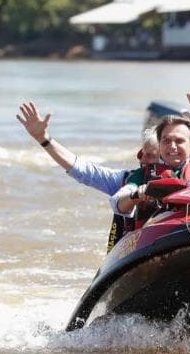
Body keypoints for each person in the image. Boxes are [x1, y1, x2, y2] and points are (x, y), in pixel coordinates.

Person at [16, 101, 159, 252]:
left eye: (149, 156)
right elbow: (82, 170)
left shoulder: (186, 180)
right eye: (141, 154)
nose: (142, 160)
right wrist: (43, 139)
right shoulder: (124, 180)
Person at [111, 89, 190, 222]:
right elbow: (118, 204)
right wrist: (137, 195)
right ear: (159, 145)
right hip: (157, 234)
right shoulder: (142, 175)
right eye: (166, 141)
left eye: (179, 141)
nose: (172, 146)